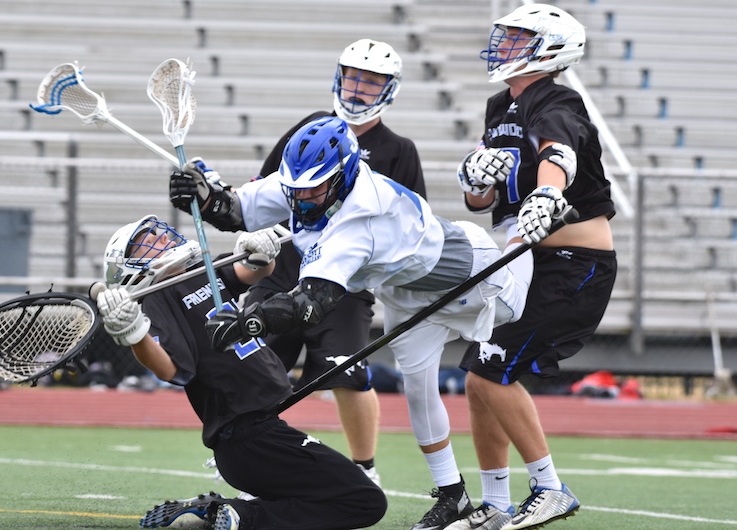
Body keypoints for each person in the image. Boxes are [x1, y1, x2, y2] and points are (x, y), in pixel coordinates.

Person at [168, 116, 540, 530]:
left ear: (342, 176)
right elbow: (236, 210)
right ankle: (454, 496)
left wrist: (247, 321)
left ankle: (522, 225)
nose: (301, 199)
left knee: (517, 300)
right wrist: (203, 195)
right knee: (418, 390)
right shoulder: (308, 183)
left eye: (313, 188)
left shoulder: (360, 218)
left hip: (469, 274)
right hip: (405, 293)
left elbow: (309, 304)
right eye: (295, 188)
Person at [91, 215, 386, 530]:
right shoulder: (155, 300)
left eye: (160, 234)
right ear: (130, 266)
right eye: (149, 241)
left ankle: (226, 513)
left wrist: (261, 253)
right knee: (365, 501)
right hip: (248, 436)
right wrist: (134, 333)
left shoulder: (199, 273)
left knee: (329, 496)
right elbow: (170, 370)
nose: (163, 238)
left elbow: (252, 271)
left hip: (260, 432)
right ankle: (241, 515)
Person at [446, 5, 618, 530]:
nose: (503, 47)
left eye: (518, 39)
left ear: (551, 49)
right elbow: (484, 201)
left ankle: (549, 488)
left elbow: (557, 152)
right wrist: (476, 180)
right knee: (479, 378)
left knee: (491, 371)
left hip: (573, 262)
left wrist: (547, 192)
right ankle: (496, 503)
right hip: (525, 259)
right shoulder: (500, 105)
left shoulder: (558, 100)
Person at [243, 37, 427, 487]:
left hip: (346, 282)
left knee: (348, 374)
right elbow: (263, 189)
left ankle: (365, 467)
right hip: (285, 270)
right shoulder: (310, 128)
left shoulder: (398, 149)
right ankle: (247, 448)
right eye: (353, 77)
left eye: (371, 81)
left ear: (389, 88)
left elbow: (410, 223)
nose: (358, 88)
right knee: (253, 366)